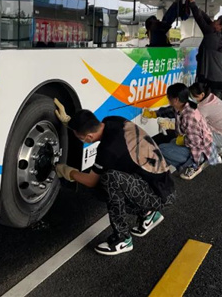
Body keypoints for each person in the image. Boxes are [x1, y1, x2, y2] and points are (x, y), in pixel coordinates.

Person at [53, 99, 175, 256]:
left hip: (160, 195)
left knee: (108, 181)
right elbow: (89, 129)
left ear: (88, 137)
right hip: (161, 183)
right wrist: (70, 123)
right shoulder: (113, 121)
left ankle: (123, 239)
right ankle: (148, 214)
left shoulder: (108, 149)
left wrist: (67, 171)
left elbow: (91, 181)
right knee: (109, 179)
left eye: (80, 137)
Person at [158, 83, 219, 181]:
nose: (167, 99)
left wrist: (183, 141)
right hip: (203, 144)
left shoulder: (189, 116)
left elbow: (195, 142)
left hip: (200, 150)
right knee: (172, 143)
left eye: (168, 97)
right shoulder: (185, 106)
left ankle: (194, 165)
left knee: (161, 149)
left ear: (176, 99)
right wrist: (155, 113)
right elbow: (170, 111)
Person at [186, 0, 222, 98]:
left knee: (211, 106)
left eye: (217, 21)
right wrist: (197, 7)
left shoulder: (211, 36)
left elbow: (200, 20)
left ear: (220, 27)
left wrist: (192, 2)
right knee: (219, 106)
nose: (214, 20)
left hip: (214, 81)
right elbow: (207, 20)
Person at [189, 82, 222, 160]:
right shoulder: (212, 98)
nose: (192, 98)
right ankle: (221, 152)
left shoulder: (203, 107)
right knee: (208, 127)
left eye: (194, 96)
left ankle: (214, 156)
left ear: (202, 94)